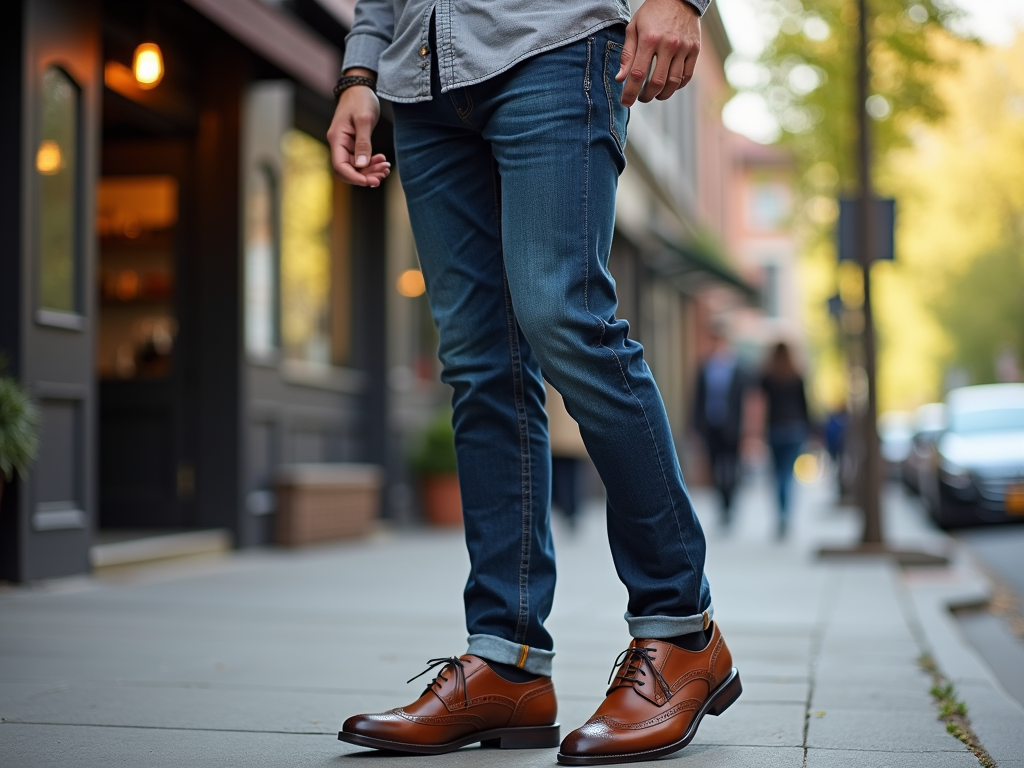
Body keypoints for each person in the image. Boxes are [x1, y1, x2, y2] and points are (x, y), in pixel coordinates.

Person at [328, 0, 741, 764]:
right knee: (479, 365)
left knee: (565, 319)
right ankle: (507, 659)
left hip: (556, 41)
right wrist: (360, 67)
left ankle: (682, 631)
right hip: (419, 77)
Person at [692, 328, 746, 527]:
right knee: (715, 467)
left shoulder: (738, 369)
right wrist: (696, 427)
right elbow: (697, 400)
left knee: (732, 466)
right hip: (710, 425)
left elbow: (745, 401)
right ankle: (722, 506)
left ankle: (730, 503)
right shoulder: (705, 368)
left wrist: (747, 430)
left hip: (732, 427)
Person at [759, 342, 810, 538]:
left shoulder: (768, 377)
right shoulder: (796, 376)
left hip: (776, 429)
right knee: (787, 474)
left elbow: (760, 405)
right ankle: (786, 515)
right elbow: (805, 406)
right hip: (795, 429)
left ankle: (781, 515)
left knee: (778, 474)